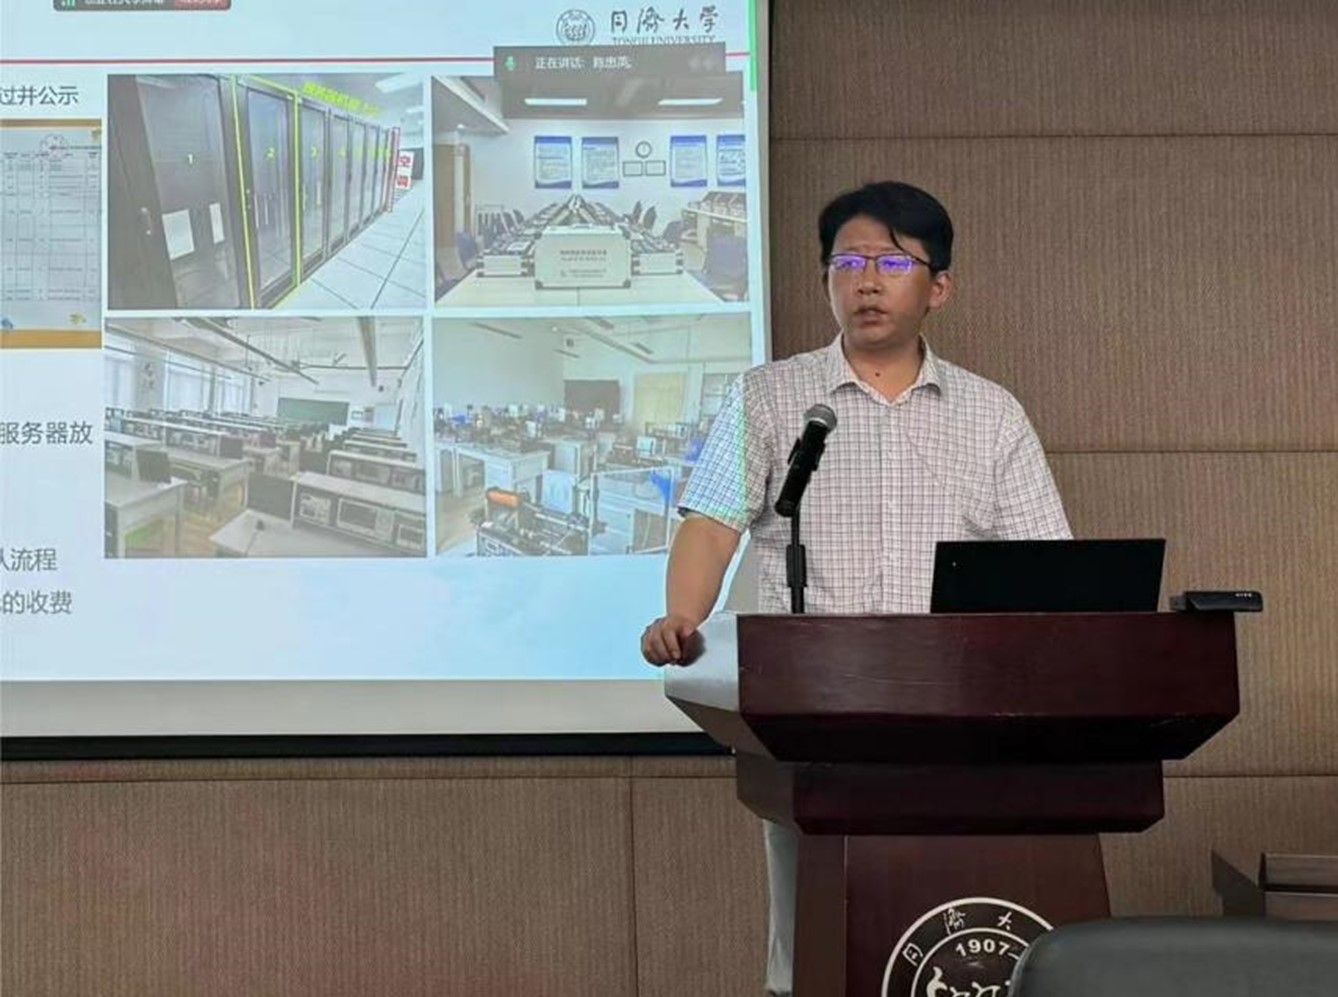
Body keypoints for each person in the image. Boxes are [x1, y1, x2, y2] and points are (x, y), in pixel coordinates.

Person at [639, 180, 1072, 996]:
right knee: (816, 947)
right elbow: (713, 521)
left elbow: (1048, 566)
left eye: (892, 264)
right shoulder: (771, 395)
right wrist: (682, 616)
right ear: (826, 281)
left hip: (955, 720)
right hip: (813, 717)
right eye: (848, 263)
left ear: (938, 287)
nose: (867, 281)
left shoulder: (991, 414)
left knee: (946, 935)